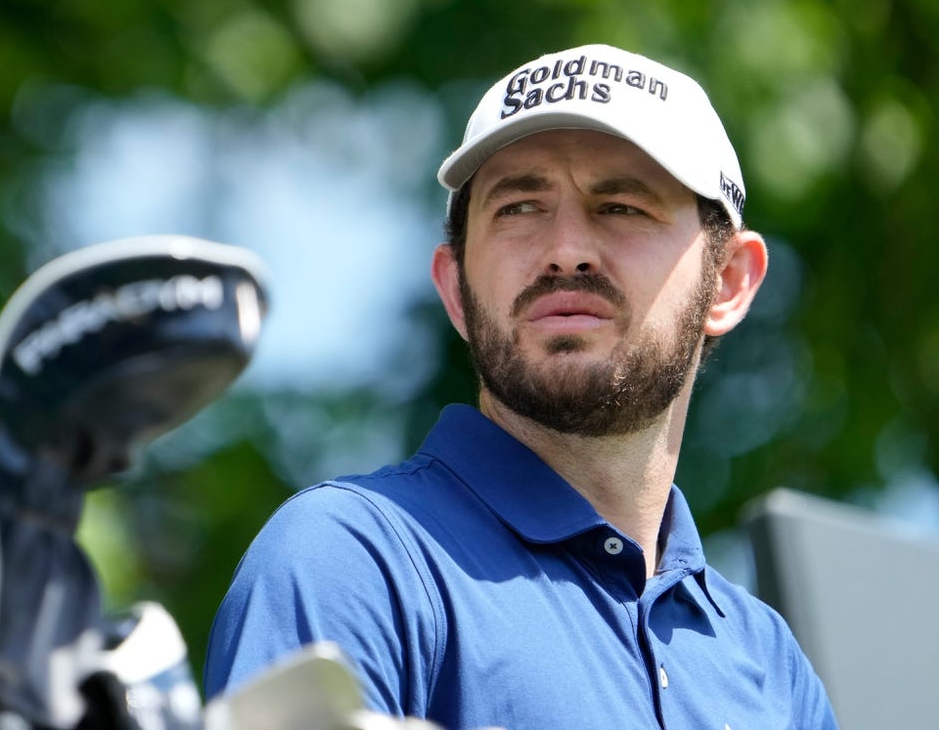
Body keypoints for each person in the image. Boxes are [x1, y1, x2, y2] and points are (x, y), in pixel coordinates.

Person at [204, 43, 839, 730]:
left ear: (729, 282)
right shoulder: (351, 556)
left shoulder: (773, 666)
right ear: (456, 288)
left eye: (622, 205)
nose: (566, 247)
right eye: (519, 207)